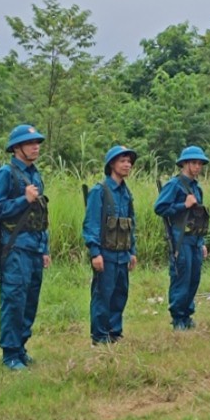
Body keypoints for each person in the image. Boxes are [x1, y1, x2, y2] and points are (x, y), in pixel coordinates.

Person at [0, 124, 50, 370]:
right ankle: (10, 353)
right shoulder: (6, 174)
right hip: (15, 247)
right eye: (30, 143)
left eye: (37, 143)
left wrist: (44, 248)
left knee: (30, 299)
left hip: (34, 246)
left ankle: (21, 346)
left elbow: (42, 214)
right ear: (16, 148)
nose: (35, 147)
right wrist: (23, 199)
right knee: (14, 298)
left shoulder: (35, 175)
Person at [82, 145, 138, 345]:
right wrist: (95, 252)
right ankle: (99, 337)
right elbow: (92, 224)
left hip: (122, 255)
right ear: (112, 164)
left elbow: (131, 224)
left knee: (119, 295)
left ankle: (115, 333)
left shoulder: (126, 193)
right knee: (102, 297)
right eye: (122, 161)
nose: (127, 165)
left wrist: (132, 251)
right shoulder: (100, 191)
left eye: (129, 161)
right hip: (105, 255)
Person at [154, 146, 210, 331]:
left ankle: (187, 316)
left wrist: (202, 242)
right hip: (180, 240)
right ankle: (178, 318)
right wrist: (182, 205)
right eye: (193, 163)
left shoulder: (197, 188)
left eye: (200, 163)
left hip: (195, 240)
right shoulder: (174, 185)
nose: (197, 167)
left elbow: (199, 217)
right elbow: (160, 208)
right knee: (181, 279)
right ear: (184, 164)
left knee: (194, 278)